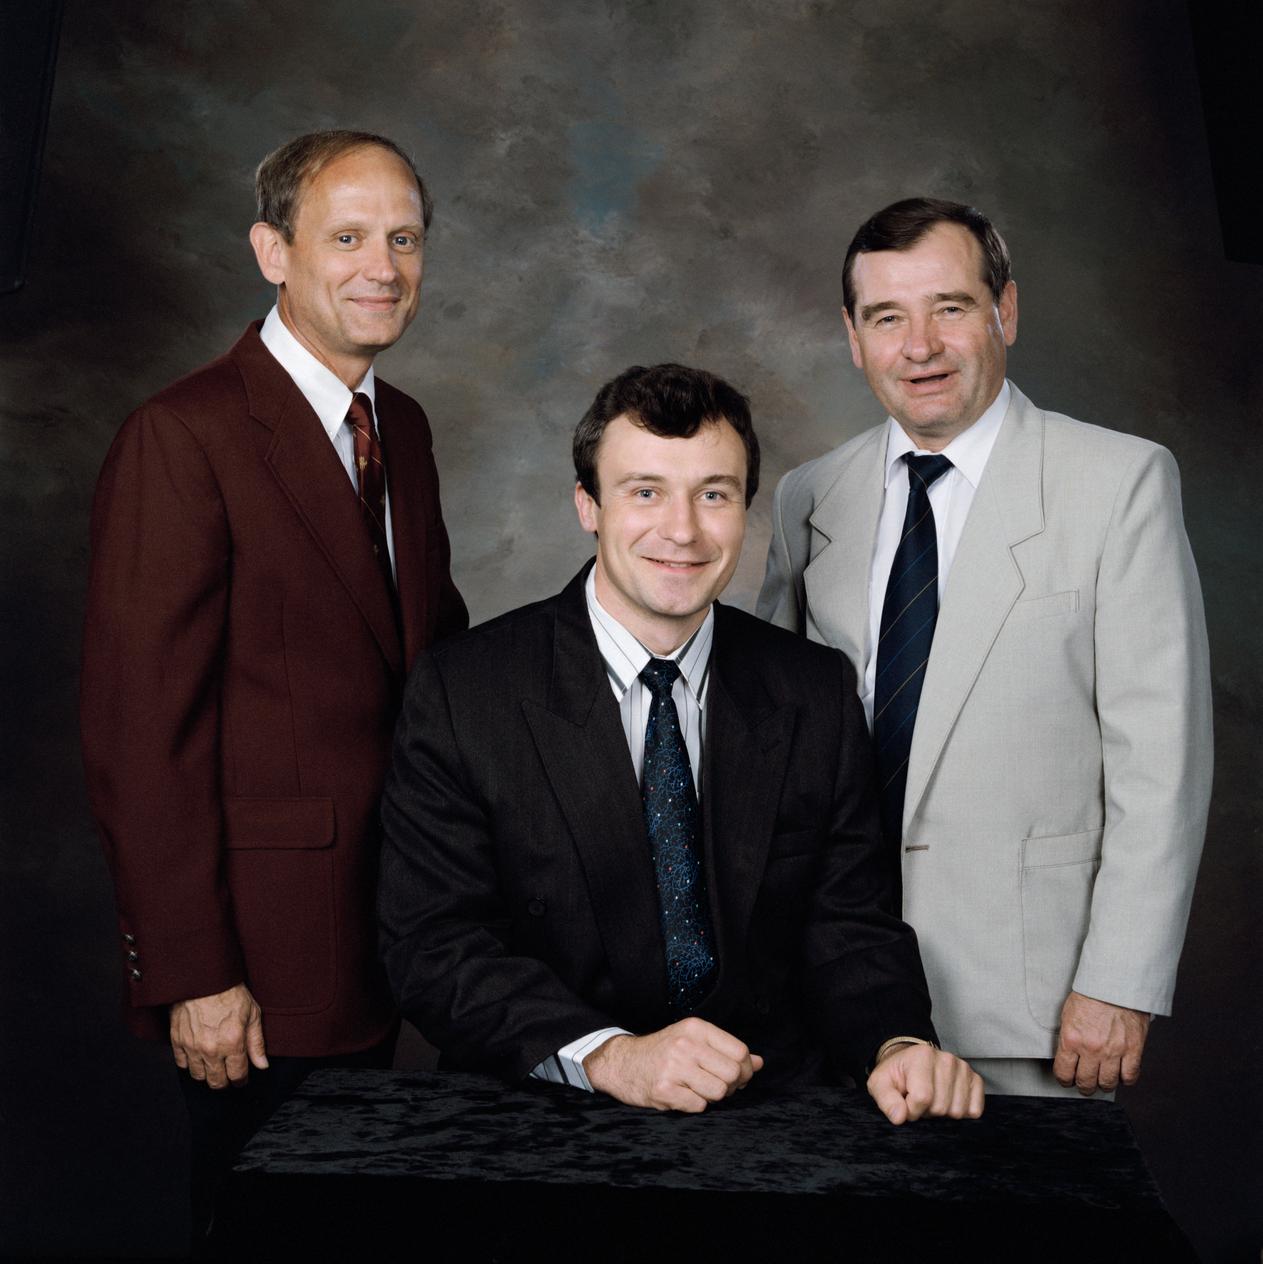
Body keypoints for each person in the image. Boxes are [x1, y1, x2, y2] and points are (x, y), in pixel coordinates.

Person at [379, 362, 983, 1122]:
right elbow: (434, 947)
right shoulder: (466, 691)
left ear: (744, 511)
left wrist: (896, 1044)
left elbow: (849, 924)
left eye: (713, 494)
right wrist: (611, 1055)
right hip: (542, 1116)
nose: (682, 531)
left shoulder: (813, 689)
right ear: (586, 506)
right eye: (644, 492)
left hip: (769, 1115)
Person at [80, 130, 467, 1233]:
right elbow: (138, 731)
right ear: (270, 250)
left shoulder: (405, 428)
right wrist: (194, 972)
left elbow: (433, 660)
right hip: (254, 969)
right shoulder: (183, 434)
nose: (380, 266)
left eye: (402, 238)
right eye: (345, 237)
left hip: (394, 936)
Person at [758, 198, 1212, 1098]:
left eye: (950, 308)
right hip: (829, 1002)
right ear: (852, 337)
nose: (918, 346)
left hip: (1034, 1006)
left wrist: (1118, 980)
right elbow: (773, 756)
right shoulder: (809, 497)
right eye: (887, 317)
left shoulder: (1118, 482)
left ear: (1004, 310)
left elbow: (1160, 761)